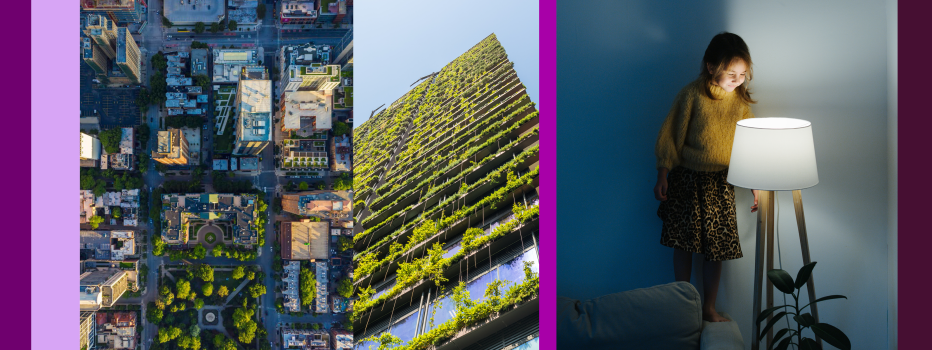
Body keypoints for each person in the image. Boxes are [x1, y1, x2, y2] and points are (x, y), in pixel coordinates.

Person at [654, 32, 760, 322]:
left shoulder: (740, 105)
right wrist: (663, 172)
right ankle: (682, 306)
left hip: (720, 184)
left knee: (717, 249)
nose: (737, 79)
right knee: (683, 244)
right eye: (731, 73)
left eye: (742, 74)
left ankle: (708, 308)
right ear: (712, 67)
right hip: (687, 179)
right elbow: (670, 137)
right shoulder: (691, 95)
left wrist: (754, 186)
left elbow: (748, 147)